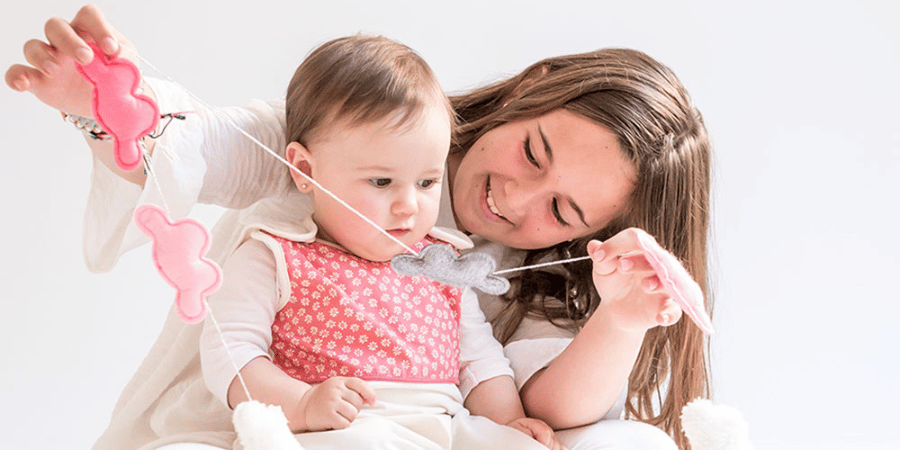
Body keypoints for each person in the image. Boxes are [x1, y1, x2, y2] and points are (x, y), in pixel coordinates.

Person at [7, 5, 711, 449]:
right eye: (532, 152)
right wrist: (107, 106)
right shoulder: (353, 136)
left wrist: (619, 321)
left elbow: (533, 399)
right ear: (531, 87)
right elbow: (202, 147)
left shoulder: (514, 267)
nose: (517, 198)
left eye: (561, 211)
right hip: (250, 417)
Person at [197, 33, 560, 449]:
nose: (409, 205)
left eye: (426, 182)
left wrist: (508, 421)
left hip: (441, 426)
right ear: (305, 170)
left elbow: (480, 360)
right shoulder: (273, 255)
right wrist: (301, 404)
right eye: (382, 181)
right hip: (340, 429)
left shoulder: (442, 264)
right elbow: (230, 353)